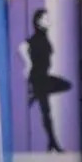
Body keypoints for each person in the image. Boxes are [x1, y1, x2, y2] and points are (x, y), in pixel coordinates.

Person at [17, 8, 71, 152]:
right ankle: (53, 144)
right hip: (38, 77)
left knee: (66, 85)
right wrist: (28, 64)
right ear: (39, 21)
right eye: (46, 19)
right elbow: (22, 47)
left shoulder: (44, 36)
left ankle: (35, 94)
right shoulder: (37, 37)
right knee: (46, 112)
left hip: (43, 77)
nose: (49, 21)